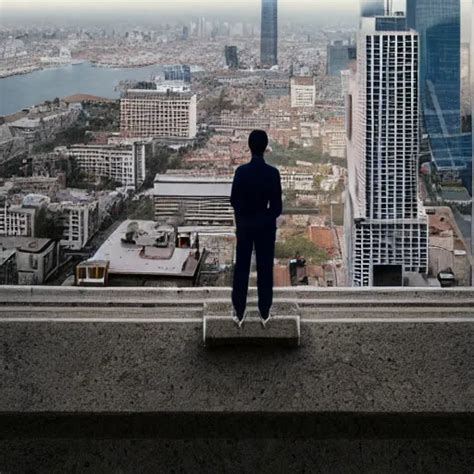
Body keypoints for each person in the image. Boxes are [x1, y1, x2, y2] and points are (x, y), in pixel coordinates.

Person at [230, 130, 282, 328]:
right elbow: (277, 208)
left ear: (249, 147)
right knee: (265, 267)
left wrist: (244, 218)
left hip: (245, 225)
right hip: (265, 227)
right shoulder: (273, 173)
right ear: (265, 147)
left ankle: (239, 310)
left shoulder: (241, 172)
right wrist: (265, 218)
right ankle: (265, 310)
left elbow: (234, 201)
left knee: (242, 267)